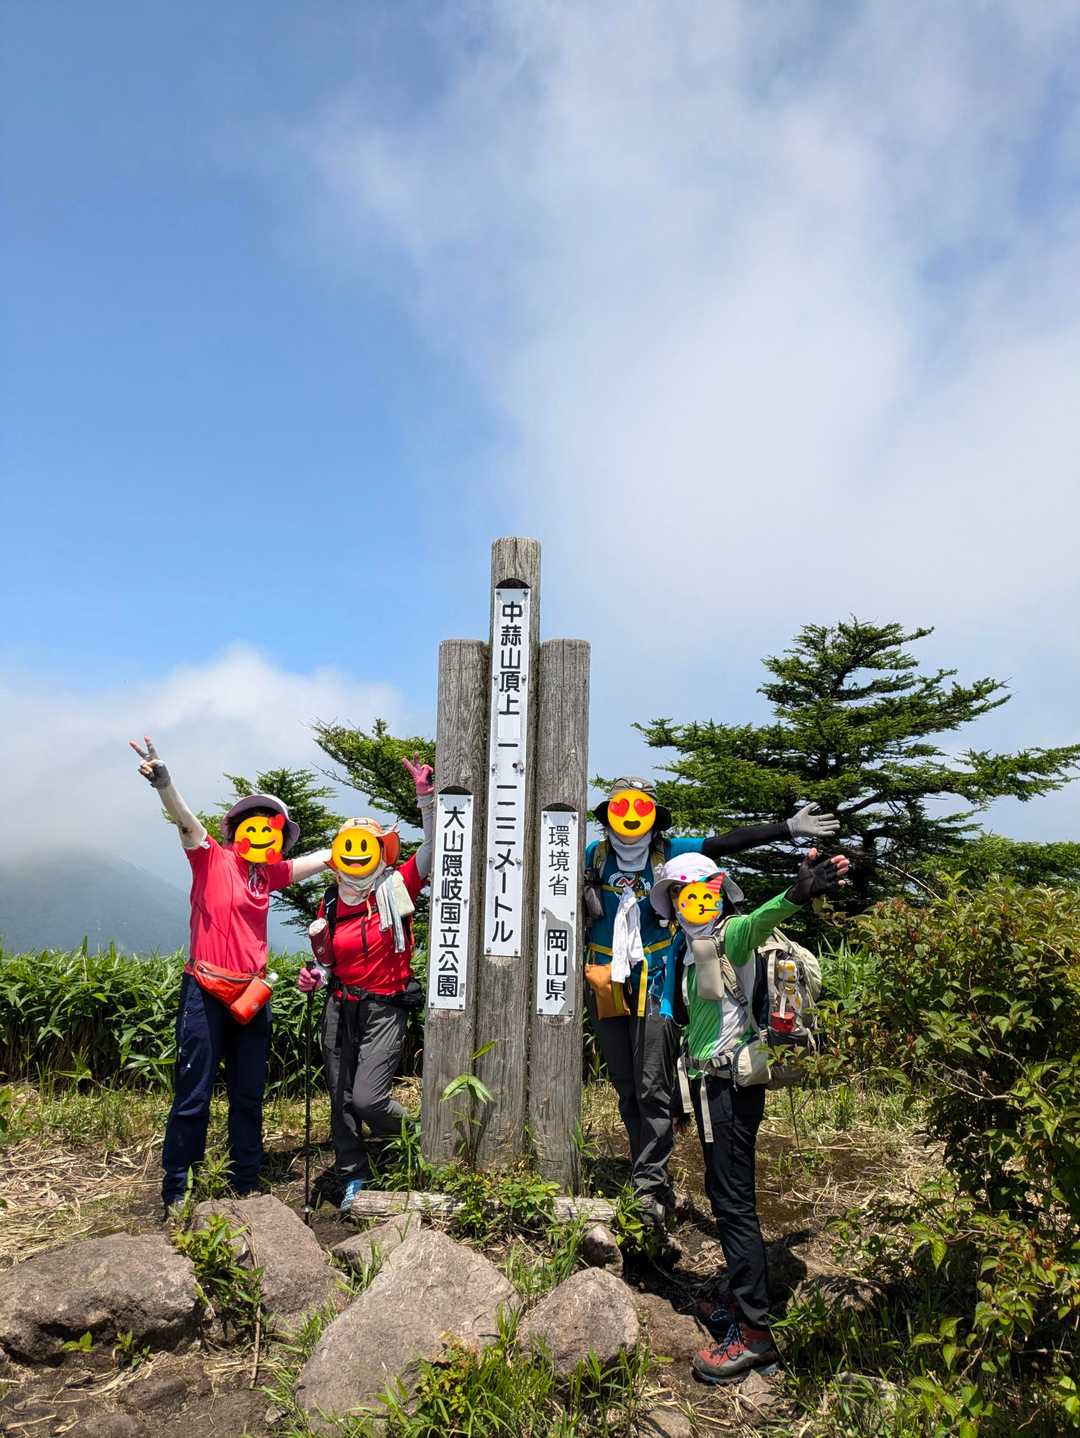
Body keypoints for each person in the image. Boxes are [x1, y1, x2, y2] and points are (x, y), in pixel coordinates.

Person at [583, 776, 840, 1225]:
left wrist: (788, 828)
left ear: (654, 818)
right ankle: (646, 1171)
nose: (630, 819)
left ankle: (649, 1185)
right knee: (625, 1086)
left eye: (640, 809)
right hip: (605, 979)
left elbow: (726, 842)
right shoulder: (594, 855)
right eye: (620, 808)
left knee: (651, 1087)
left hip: (656, 980)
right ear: (608, 815)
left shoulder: (671, 852)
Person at [649, 846, 849, 1383]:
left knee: (733, 1204)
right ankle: (742, 1305)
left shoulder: (731, 935)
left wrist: (797, 893)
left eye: (696, 892)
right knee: (724, 1195)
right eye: (678, 894)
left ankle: (755, 1335)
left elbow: (761, 920)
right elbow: (693, 1027)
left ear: (716, 893)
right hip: (709, 1087)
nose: (687, 902)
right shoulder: (689, 946)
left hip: (730, 1091)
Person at [130, 736, 332, 1210]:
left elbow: (321, 859)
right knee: (193, 1092)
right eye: (253, 826)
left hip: (252, 995)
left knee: (248, 1092)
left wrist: (360, 841)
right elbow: (187, 823)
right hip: (204, 989)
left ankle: (245, 1180)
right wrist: (164, 783)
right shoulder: (211, 859)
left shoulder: (267, 876)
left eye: (271, 830)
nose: (262, 836)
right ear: (237, 831)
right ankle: (178, 1186)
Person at [298, 755, 434, 1213]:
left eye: (367, 845)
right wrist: (314, 976)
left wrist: (425, 799)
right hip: (340, 1006)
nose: (357, 854)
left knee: (368, 1099)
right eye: (349, 846)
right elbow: (327, 962)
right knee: (340, 1099)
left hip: (385, 1008)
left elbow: (434, 848)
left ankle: (420, 1138)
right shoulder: (331, 902)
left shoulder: (397, 887)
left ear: (380, 851)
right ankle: (353, 1173)